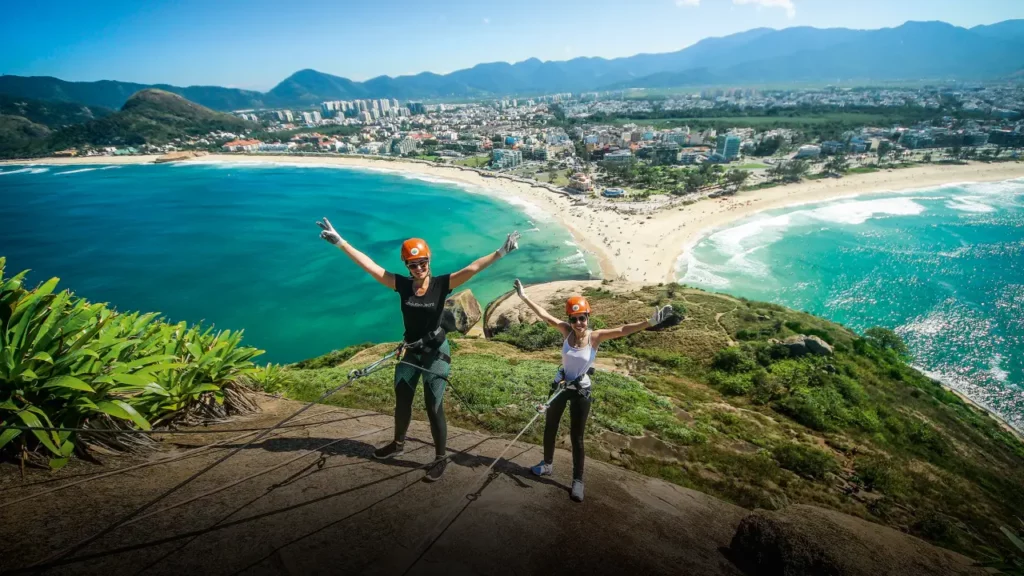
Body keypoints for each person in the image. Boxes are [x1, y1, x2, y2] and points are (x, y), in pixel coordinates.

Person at [317, 217, 520, 481]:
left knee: (433, 406)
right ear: (407, 266)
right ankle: (398, 444)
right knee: (402, 401)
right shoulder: (401, 286)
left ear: (429, 262)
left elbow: (473, 268)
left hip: (436, 352)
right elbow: (370, 267)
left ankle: (439, 457)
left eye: (423, 263)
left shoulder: (441, 285)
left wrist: (501, 252)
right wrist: (341, 242)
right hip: (411, 350)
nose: (419, 268)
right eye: (413, 265)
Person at [513, 279, 672, 502]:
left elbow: (622, 330)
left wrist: (649, 322)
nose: (579, 323)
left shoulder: (595, 337)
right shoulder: (565, 331)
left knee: (577, 437)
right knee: (550, 428)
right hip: (561, 385)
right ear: (570, 319)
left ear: (588, 317)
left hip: (580, 390)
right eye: (575, 319)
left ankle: (578, 480)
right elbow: (545, 315)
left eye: (583, 318)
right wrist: (524, 297)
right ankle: (547, 465)